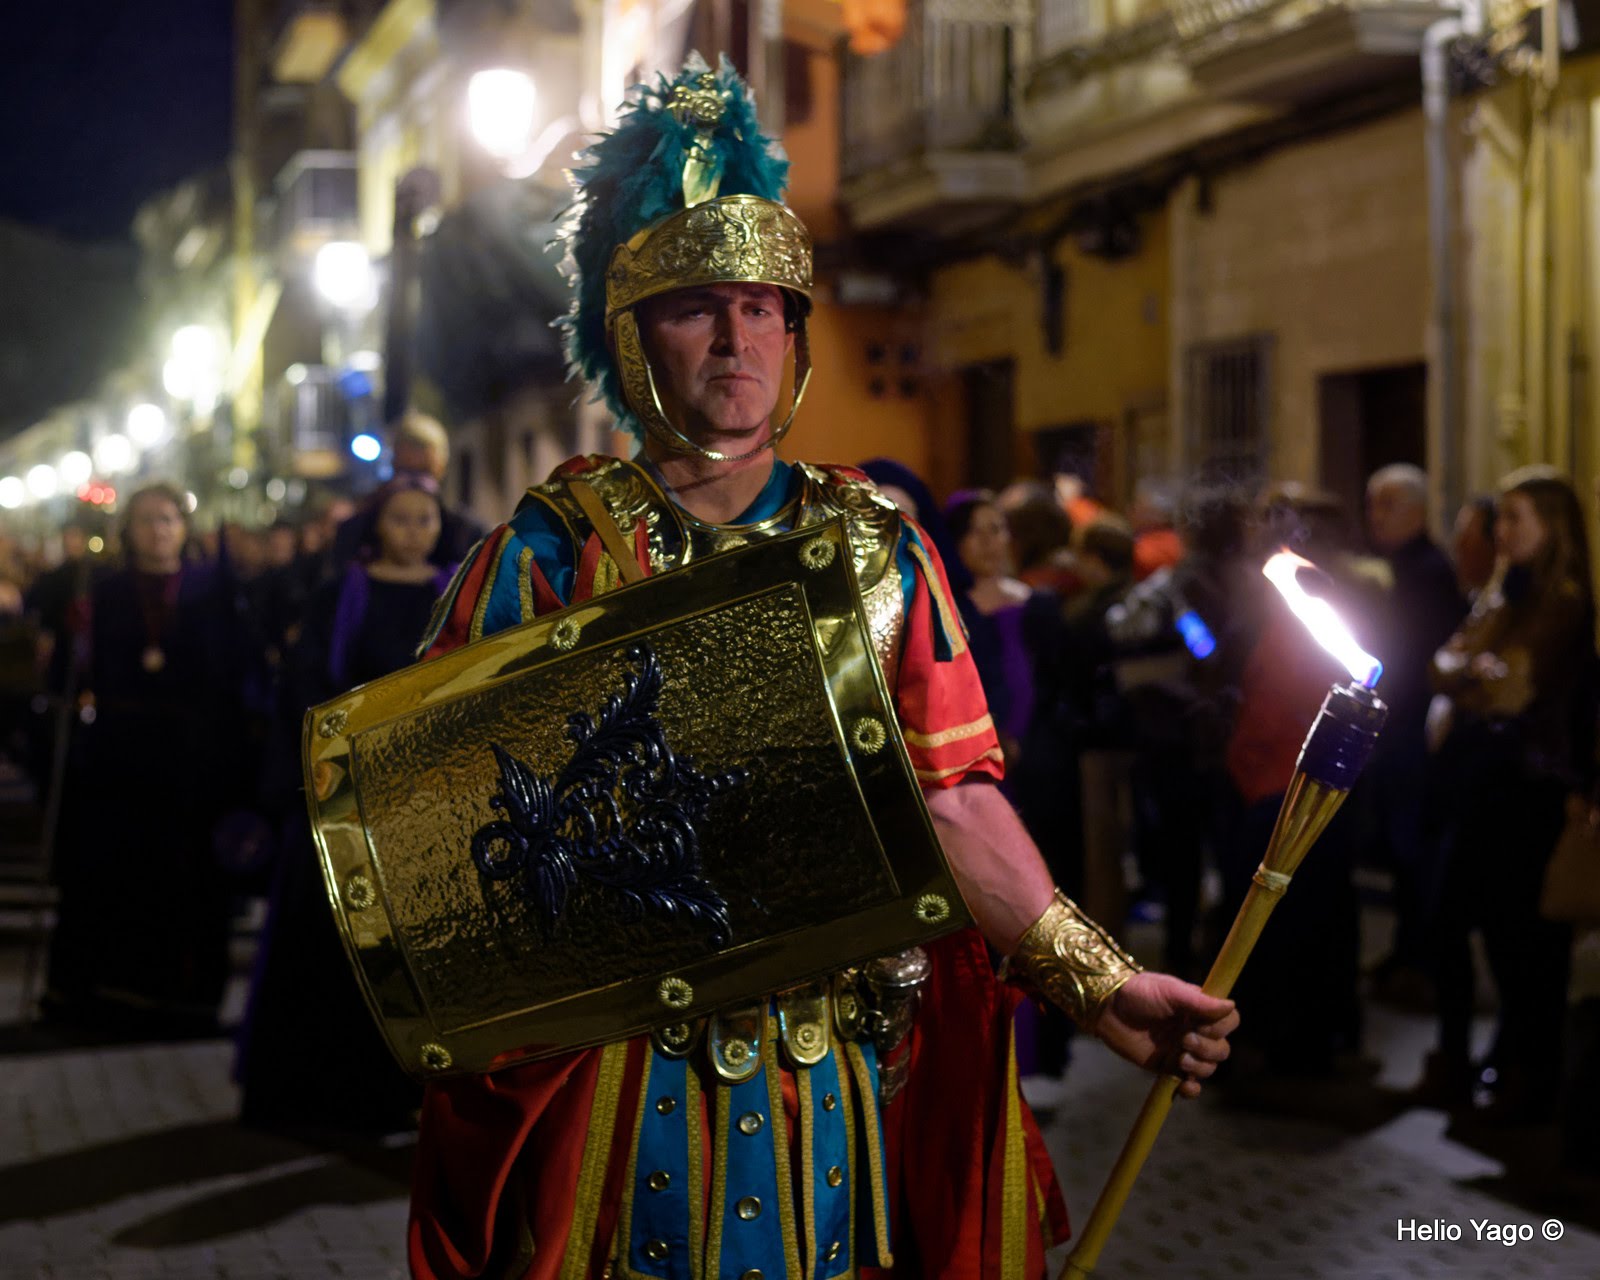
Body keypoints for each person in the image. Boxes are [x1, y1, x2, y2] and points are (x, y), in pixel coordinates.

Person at [381, 58, 1236, 1279]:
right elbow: (443, 847)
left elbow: (948, 798)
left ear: (795, 333)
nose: (736, 339)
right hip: (616, 1092)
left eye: (764, 307)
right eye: (695, 306)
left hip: (823, 1074)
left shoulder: (876, 551)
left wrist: (1099, 985)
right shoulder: (547, 556)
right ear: (630, 335)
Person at [237, 475, 456, 1134]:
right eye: (402, 518)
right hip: (350, 792)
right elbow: (309, 685)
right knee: (333, 943)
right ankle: (324, 1088)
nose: (415, 530)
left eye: (426, 518)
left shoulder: (453, 591)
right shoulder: (345, 593)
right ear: (377, 526)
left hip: (425, 793)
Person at [1419, 468, 1596, 1118]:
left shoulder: (1564, 603)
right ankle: (1467, 1059)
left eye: (1515, 518)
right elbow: (1440, 664)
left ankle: (1528, 1075)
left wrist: (1470, 676)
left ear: (1552, 526)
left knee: (1523, 940)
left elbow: (1512, 687)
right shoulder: (1498, 597)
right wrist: (1471, 672)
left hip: (1530, 788)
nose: (1501, 531)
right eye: (1500, 519)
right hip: (1479, 785)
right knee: (1452, 923)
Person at [41, 484, 244, 1038]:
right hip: (120, 753)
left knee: (184, 876)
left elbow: (233, 669)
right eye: (147, 520)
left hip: (189, 754)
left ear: (184, 526)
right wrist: (73, 638)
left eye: (168, 518)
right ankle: (106, 993)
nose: (159, 529)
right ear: (128, 530)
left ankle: (180, 997)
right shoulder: (102, 592)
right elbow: (67, 676)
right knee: (115, 873)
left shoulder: (213, 590)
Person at [1362, 465, 1466, 1004]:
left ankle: (1420, 960)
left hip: (1412, 732)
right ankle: (1409, 953)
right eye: (1372, 505)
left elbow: (1415, 655)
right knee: (1402, 853)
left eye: (1388, 505)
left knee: (1414, 852)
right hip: (1394, 728)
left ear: (1418, 510)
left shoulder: (1425, 572)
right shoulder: (1393, 567)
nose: (1375, 517)